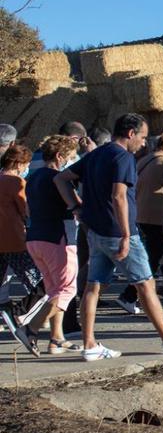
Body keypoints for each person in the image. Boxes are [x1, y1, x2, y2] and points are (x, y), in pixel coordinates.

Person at [54, 113, 163, 360]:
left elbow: (61, 178)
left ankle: (89, 344)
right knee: (145, 283)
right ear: (131, 133)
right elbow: (119, 195)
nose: (144, 143)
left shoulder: (96, 154)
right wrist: (125, 234)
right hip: (119, 232)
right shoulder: (123, 157)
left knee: (93, 286)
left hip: (96, 231)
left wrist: (76, 207)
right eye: (142, 137)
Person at [22, 136, 81, 354]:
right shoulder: (59, 179)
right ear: (59, 156)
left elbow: (28, 210)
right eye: (70, 157)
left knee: (54, 290)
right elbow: (74, 204)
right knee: (67, 289)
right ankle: (31, 328)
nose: (71, 161)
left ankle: (57, 338)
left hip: (35, 237)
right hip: (58, 237)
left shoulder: (33, 177)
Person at [116, 132, 163, 314]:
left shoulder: (145, 160)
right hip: (161, 216)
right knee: (156, 258)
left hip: (143, 214)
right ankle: (129, 295)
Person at [0, 144, 42, 354]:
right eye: (25, 164)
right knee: (40, 284)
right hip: (14, 240)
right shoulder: (16, 182)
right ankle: (19, 312)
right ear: (19, 164)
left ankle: (7, 309)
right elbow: (26, 210)